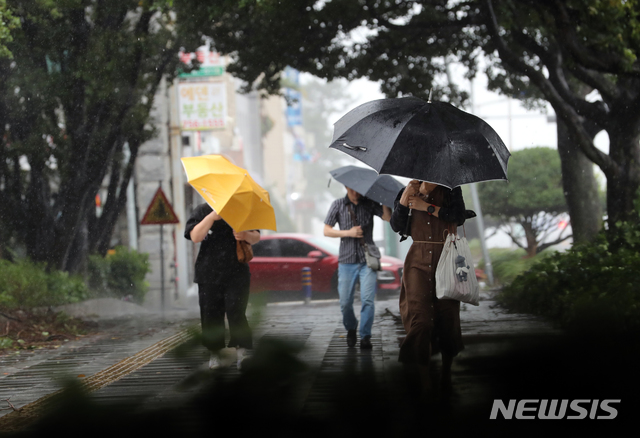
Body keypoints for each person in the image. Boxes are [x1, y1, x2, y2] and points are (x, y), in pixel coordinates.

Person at [390, 180, 469, 394]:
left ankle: (445, 373)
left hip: (447, 259)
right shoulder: (407, 190)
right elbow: (396, 225)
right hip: (417, 261)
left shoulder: (452, 190)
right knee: (420, 320)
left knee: (448, 319)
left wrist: (427, 207)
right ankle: (425, 381)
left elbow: (458, 216)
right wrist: (404, 202)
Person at [185, 203, 260, 370]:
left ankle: (242, 353)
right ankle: (215, 353)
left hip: (237, 272)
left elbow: (256, 237)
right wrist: (211, 217)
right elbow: (195, 236)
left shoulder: (242, 209)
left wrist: (244, 234)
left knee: (236, 311)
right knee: (211, 314)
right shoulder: (203, 210)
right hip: (208, 273)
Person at [324, 186, 392, 349]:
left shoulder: (369, 203)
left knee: (367, 299)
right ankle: (351, 328)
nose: (356, 192)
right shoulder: (338, 204)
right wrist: (349, 233)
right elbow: (327, 231)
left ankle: (365, 336)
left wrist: (384, 201)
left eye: (359, 189)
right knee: (345, 302)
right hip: (346, 261)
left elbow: (388, 218)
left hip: (367, 260)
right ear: (346, 187)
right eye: (352, 189)